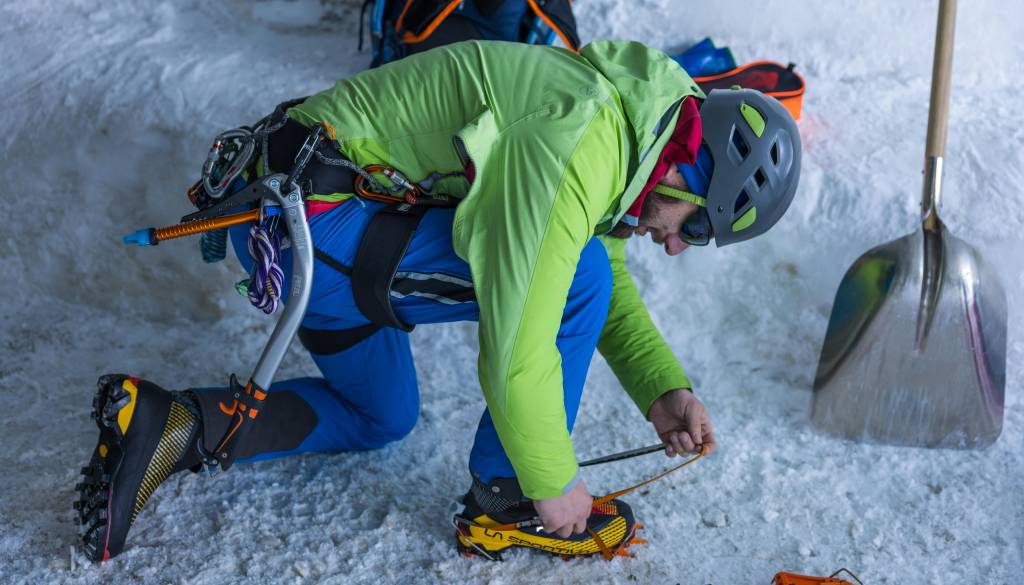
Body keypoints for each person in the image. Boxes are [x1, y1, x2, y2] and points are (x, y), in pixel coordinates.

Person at [74, 37, 801, 562]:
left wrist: (662, 387)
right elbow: (523, 342)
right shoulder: (580, 141)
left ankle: (168, 424)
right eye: (697, 226)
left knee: (381, 414)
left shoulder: (623, 132)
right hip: (316, 227)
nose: (678, 246)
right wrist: (552, 482)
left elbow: (599, 262)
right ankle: (507, 497)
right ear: (693, 167)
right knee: (569, 274)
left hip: (301, 226)